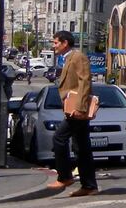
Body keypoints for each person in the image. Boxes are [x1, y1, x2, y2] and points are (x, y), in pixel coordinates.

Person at [47, 30, 98, 197]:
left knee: (59, 138)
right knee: (82, 148)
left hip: (77, 110)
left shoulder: (78, 57)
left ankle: (65, 176)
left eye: (55, 42)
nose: (53, 46)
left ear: (64, 43)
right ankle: (89, 186)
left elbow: (85, 80)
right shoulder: (68, 58)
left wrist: (81, 107)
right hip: (72, 108)